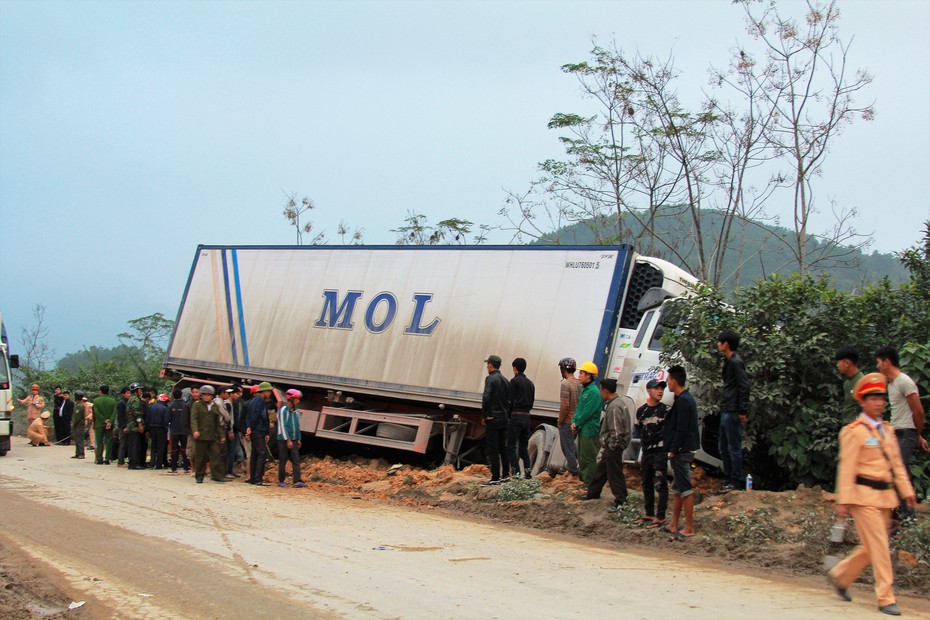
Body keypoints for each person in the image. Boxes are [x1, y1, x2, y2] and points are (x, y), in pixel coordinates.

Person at [827, 373, 916, 617]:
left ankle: (840, 575)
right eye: (872, 398)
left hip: (885, 497)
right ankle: (885, 597)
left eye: (881, 398)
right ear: (863, 402)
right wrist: (842, 501)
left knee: (870, 547)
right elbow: (847, 467)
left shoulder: (887, 430)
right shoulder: (853, 431)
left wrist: (907, 491)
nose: (878, 403)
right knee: (880, 547)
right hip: (862, 497)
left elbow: (896, 464)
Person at [875, 345, 927, 521]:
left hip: (906, 433)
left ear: (887, 361)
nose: (878, 366)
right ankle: (899, 513)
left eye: (879, 362)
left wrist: (916, 435)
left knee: (900, 472)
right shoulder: (892, 384)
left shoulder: (904, 381)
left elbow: (918, 411)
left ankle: (909, 518)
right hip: (897, 433)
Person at [580, 378, 629, 511]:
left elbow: (616, 431)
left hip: (614, 446)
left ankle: (621, 501)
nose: (601, 393)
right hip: (612, 445)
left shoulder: (614, 407)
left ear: (605, 390)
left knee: (614, 474)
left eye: (601, 390)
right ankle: (593, 493)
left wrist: (612, 446)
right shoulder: (618, 403)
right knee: (601, 471)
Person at [664, 365, 699, 541]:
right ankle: (674, 523)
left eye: (668, 380)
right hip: (681, 450)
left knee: (685, 489)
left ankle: (689, 527)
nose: (667, 383)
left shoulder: (684, 401)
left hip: (682, 451)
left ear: (674, 381)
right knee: (677, 488)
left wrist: (673, 449)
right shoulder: (682, 399)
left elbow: (681, 429)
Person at [717, 330, 750, 492]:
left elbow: (744, 386)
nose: (718, 345)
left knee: (733, 447)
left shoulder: (736, 362)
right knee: (723, 447)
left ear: (726, 344)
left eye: (719, 342)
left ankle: (735, 482)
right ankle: (728, 479)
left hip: (732, 410)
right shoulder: (728, 361)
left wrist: (742, 410)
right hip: (726, 408)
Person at [635, 379, 669, 527]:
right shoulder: (641, 411)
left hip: (660, 451)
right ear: (649, 390)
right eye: (656, 388)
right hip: (647, 451)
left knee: (660, 483)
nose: (660, 391)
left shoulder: (666, 411)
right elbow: (638, 429)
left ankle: (660, 516)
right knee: (646, 481)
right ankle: (649, 513)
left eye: (662, 388)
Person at [480, 355, 510, 486]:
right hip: (504, 418)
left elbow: (486, 397)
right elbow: (509, 401)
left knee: (493, 448)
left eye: (488, 365)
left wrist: (485, 415)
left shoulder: (490, 378)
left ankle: (495, 477)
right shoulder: (505, 380)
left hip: (493, 418)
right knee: (503, 448)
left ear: (491, 365)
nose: (487, 367)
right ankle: (505, 476)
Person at [571, 361, 602, 485]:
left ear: (588, 375)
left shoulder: (594, 392)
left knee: (588, 458)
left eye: (581, 373)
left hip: (589, 430)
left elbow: (587, 413)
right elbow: (579, 408)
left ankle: (589, 484)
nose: (579, 375)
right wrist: (574, 421)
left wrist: (576, 423)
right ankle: (584, 482)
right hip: (583, 429)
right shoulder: (585, 390)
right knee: (582, 458)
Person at [190, 385, 228, 484]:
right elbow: (193, 419)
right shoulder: (197, 405)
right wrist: (195, 430)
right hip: (201, 435)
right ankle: (199, 476)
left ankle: (216, 476)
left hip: (213, 435)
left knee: (216, 455)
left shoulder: (215, 406)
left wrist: (222, 435)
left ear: (212, 396)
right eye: (204, 395)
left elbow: (218, 423)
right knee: (200, 457)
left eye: (208, 395)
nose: (206, 397)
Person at [507, 357, 535, 479]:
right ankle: (528, 473)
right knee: (523, 448)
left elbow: (510, 401)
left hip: (516, 416)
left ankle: (516, 473)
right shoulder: (530, 384)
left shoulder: (514, 382)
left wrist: (508, 416)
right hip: (527, 417)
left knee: (511, 447)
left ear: (514, 368)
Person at [246, 382, 275, 485]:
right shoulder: (259, 401)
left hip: (256, 430)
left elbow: (251, 416)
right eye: (269, 391)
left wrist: (250, 428)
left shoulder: (255, 401)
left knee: (255, 454)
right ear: (264, 391)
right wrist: (252, 429)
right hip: (258, 430)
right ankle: (258, 479)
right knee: (262, 453)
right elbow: (257, 416)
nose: (270, 393)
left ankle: (253, 478)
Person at [557, 358, 581, 479]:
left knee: (567, 447)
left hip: (567, 421)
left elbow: (564, 406)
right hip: (577, 421)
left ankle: (574, 473)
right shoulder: (579, 383)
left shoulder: (565, 384)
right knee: (572, 446)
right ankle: (582, 466)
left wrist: (560, 421)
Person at [277, 389, 306, 488]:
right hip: (283, 440)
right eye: (297, 399)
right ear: (292, 399)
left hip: (293, 439)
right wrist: (287, 440)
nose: (298, 401)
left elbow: (297, 426)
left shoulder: (295, 412)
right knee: (283, 459)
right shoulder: (283, 411)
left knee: (296, 459)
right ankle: (281, 480)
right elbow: (282, 426)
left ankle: (297, 480)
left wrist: (298, 438)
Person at [835, 347, 865, 424]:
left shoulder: (863, 382)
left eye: (839, 362)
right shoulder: (847, 384)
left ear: (847, 363)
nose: (837, 365)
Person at [167, 389, 190, 473]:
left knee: (174, 450)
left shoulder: (170, 406)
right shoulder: (186, 405)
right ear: (181, 395)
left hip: (174, 431)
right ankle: (186, 468)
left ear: (173, 395)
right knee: (184, 449)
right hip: (185, 431)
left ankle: (174, 468)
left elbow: (167, 419)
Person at [92, 386, 116, 465]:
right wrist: (110, 421)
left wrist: (103, 420)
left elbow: (96, 412)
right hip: (109, 424)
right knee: (109, 441)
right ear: (108, 392)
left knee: (99, 441)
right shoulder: (113, 401)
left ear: (100, 391)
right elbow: (114, 412)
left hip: (99, 423)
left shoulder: (96, 401)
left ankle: (99, 458)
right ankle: (107, 458)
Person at [125, 383, 145, 470]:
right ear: (137, 391)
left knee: (132, 445)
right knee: (135, 445)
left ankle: (132, 462)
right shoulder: (135, 400)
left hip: (131, 426)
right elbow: (137, 414)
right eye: (140, 390)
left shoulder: (130, 399)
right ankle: (135, 463)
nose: (141, 391)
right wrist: (140, 425)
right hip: (135, 426)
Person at [147, 394, 170, 469]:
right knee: (161, 447)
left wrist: (148, 429)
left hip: (152, 428)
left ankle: (152, 463)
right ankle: (159, 464)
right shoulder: (165, 408)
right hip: (161, 429)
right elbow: (166, 421)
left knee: (153, 446)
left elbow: (148, 419)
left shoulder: (151, 407)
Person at [115, 387, 130, 466]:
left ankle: (124, 460)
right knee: (123, 444)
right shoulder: (121, 403)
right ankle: (120, 462)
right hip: (123, 426)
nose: (129, 395)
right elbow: (120, 417)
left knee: (127, 444)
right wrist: (124, 426)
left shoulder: (129, 402)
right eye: (127, 393)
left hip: (128, 425)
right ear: (123, 394)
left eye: (129, 393)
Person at [71, 391, 86, 459]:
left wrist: (73, 423)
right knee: (77, 439)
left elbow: (77, 416)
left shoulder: (80, 405)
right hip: (78, 424)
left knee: (79, 439)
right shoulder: (78, 404)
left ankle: (81, 453)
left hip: (79, 424)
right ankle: (77, 453)